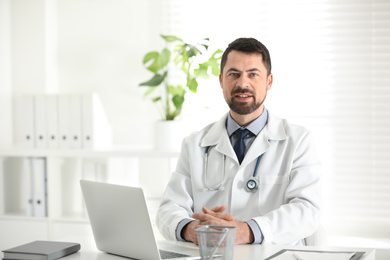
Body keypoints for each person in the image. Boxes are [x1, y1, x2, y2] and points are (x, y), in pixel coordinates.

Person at [156, 37, 321, 245]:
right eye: (234, 74)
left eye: (253, 74)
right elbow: (169, 208)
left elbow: (307, 210)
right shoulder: (195, 144)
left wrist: (247, 231)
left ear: (269, 81)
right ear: (221, 81)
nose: (243, 84)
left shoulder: (298, 140)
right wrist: (191, 229)